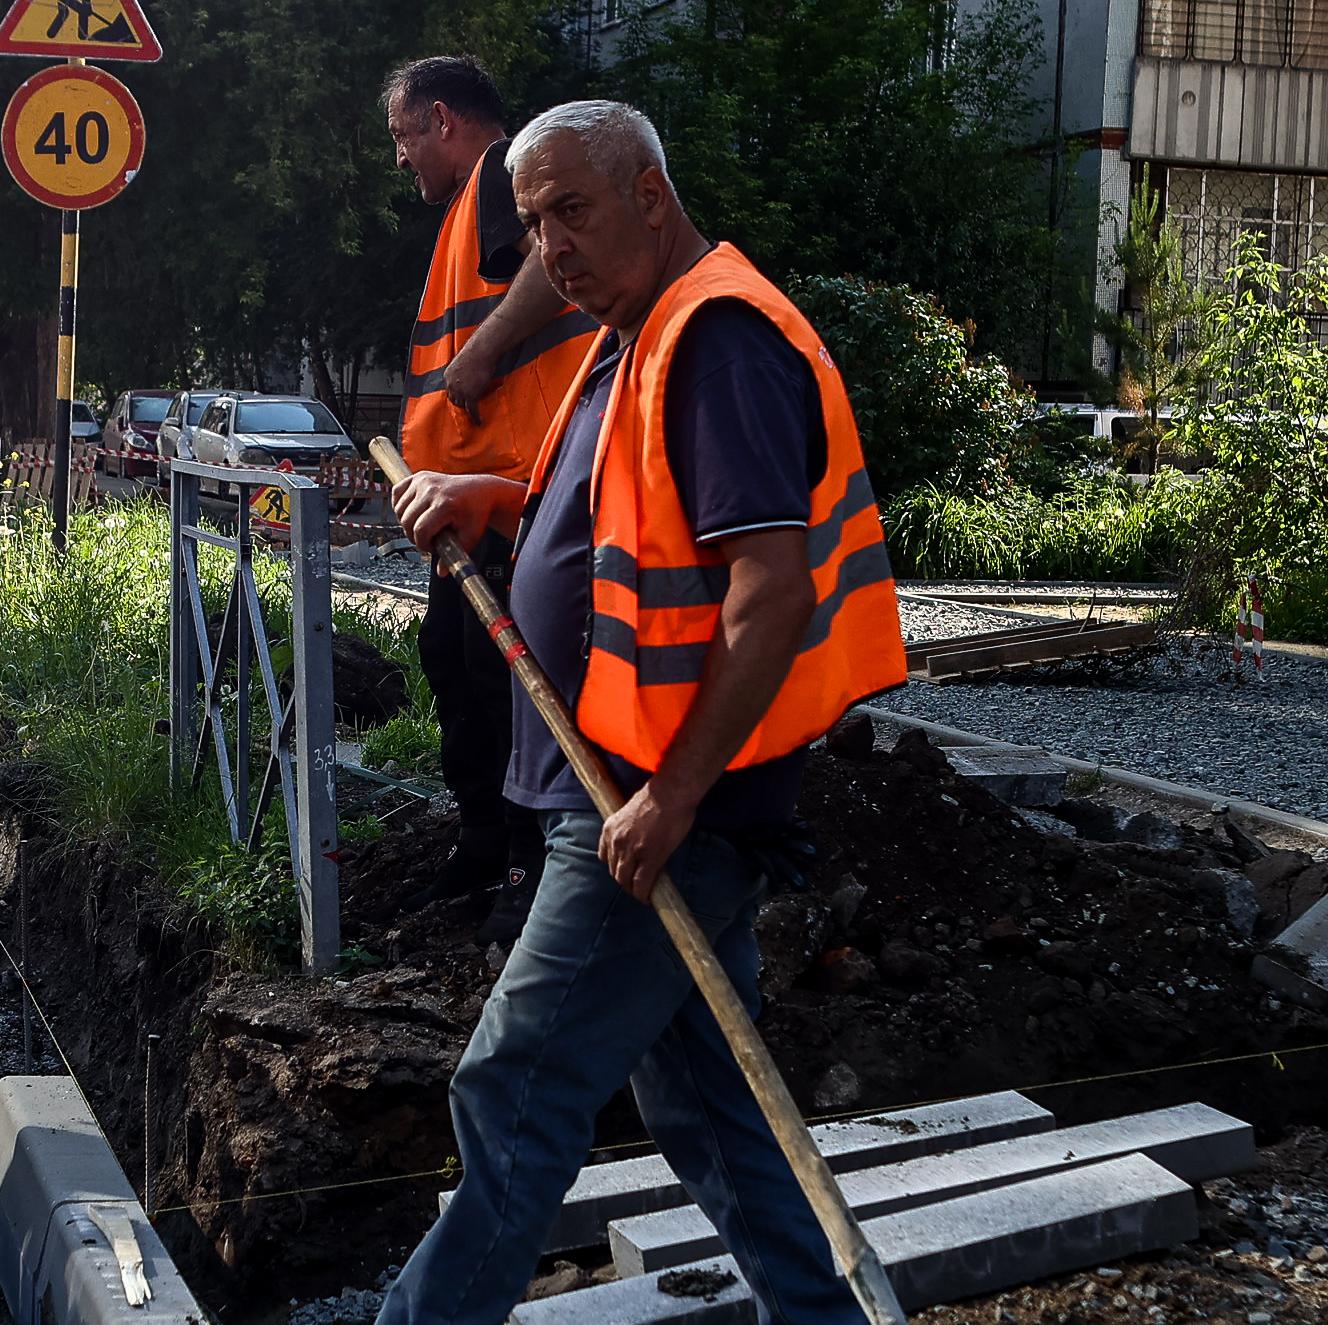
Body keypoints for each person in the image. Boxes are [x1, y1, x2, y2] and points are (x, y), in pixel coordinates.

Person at [381, 100, 905, 1325]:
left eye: (571, 209)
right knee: (710, 1105)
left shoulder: (717, 338)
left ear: (649, 194)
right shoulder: (637, 332)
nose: (549, 245)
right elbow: (623, 526)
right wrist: (498, 498)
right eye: (529, 221)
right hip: (627, 786)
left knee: (512, 1086)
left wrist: (672, 797)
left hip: (657, 803)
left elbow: (768, 593)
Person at [384, 55, 603, 928]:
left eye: (403, 136)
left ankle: (525, 862)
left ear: (444, 118)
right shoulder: (468, 210)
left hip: (520, 485)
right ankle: (486, 843)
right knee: (454, 654)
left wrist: (480, 356)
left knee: (498, 666)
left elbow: (557, 266)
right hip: (479, 496)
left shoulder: (501, 177)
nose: (401, 158)